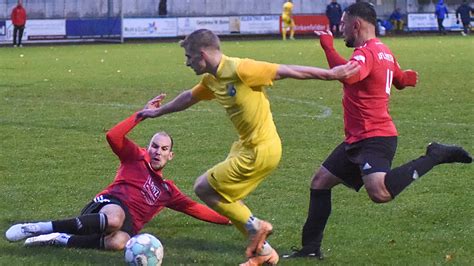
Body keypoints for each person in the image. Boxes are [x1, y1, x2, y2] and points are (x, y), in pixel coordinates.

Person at [136, 29, 359, 265]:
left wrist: (332, 74)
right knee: (230, 201)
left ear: (202, 54)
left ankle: (257, 229)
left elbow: (287, 70)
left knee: (203, 188)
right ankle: (264, 254)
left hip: (261, 150)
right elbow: (188, 97)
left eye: (189, 57)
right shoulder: (212, 79)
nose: (187, 63)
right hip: (244, 147)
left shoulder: (241, 69)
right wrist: (158, 111)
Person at [283, 2, 472, 259]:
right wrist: (407, 78)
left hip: (375, 137)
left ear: (356, 25)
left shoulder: (365, 53)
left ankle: (435, 155)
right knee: (320, 182)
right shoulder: (384, 51)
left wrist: (327, 46)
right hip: (358, 138)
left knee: (380, 193)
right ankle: (310, 249)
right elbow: (400, 79)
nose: (341, 29)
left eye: (343, 25)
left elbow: (348, 75)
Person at [5, 95, 231, 251]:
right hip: (110, 205)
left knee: (119, 243)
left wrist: (233, 220)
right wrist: (141, 115)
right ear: (147, 147)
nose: (157, 152)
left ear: (170, 155)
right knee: (114, 219)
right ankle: (39, 227)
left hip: (128, 225)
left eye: (164, 149)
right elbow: (113, 136)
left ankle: (61, 239)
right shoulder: (135, 156)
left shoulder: (167, 191)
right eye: (154, 146)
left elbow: (195, 209)